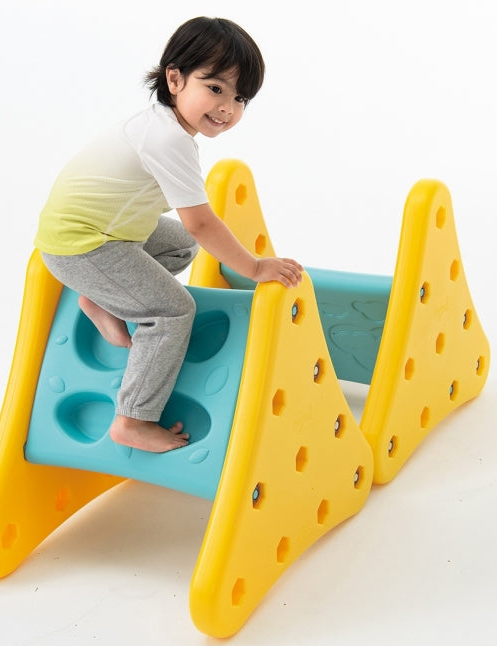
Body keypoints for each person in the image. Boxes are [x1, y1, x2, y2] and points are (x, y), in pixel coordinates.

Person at [34, 16, 303, 453]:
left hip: (95, 233)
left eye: (240, 98)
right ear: (174, 79)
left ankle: (100, 297)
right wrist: (255, 268)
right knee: (173, 311)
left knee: (180, 245)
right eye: (215, 88)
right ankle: (133, 420)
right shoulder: (168, 140)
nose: (227, 108)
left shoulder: (160, 125)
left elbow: (190, 232)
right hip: (83, 246)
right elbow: (202, 221)